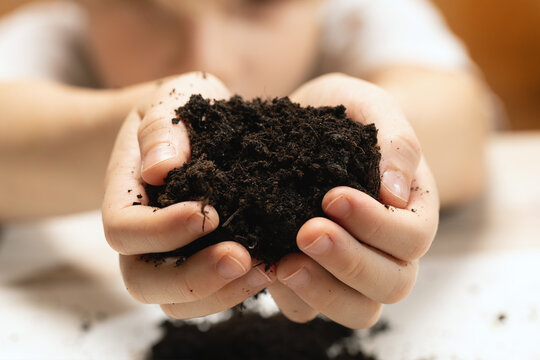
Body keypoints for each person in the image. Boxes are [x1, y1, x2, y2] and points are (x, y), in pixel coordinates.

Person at [0, 0, 491, 329]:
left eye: (256, 2)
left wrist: (387, 146)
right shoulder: (51, 30)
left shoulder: (359, 12)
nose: (210, 57)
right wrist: (142, 128)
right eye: (149, 7)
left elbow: (462, 120)